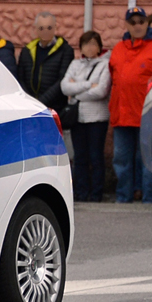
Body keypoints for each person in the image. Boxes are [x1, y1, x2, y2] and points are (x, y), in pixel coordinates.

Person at [109, 6, 152, 204]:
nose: (137, 25)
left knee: (147, 160)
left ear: (146, 23)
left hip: (147, 113)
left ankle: (150, 199)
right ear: (127, 25)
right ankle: (123, 198)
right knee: (121, 160)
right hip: (122, 113)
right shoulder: (119, 48)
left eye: (141, 22)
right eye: (133, 22)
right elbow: (113, 76)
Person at [61, 31, 111, 202]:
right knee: (80, 156)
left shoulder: (104, 65)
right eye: (86, 44)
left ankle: (96, 193)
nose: (90, 47)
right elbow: (65, 87)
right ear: (81, 47)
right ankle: (81, 192)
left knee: (96, 156)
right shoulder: (75, 64)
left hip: (97, 118)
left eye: (93, 44)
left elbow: (101, 91)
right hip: (78, 118)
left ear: (99, 47)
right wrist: (89, 85)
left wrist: (77, 91)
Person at [16, 12, 73, 114]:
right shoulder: (27, 51)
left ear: (55, 27)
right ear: (36, 29)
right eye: (41, 28)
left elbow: (62, 80)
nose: (45, 31)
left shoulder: (65, 50)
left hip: (55, 109)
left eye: (49, 28)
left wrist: (40, 102)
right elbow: (21, 78)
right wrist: (30, 102)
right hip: (30, 108)